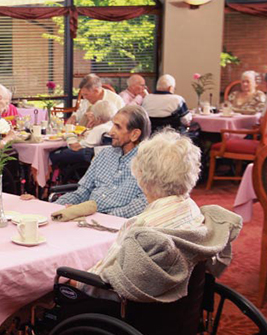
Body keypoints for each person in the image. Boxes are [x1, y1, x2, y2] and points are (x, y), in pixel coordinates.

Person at [88, 129, 241, 303]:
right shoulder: (195, 212)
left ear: (142, 176)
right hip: (183, 313)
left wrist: (73, 283)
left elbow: (99, 281)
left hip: (130, 312)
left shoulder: (140, 228)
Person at [56, 105, 150, 218]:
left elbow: (142, 204)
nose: (110, 132)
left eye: (118, 127)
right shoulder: (104, 154)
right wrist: (53, 207)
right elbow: (82, 191)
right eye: (112, 125)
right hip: (88, 218)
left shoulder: (147, 163)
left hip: (116, 225)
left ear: (134, 134)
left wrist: (102, 217)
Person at [50, 100, 117, 167]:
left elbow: (76, 147)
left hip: (90, 160)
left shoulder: (99, 129)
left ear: (98, 118)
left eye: (93, 116)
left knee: (54, 155)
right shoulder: (113, 126)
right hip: (108, 162)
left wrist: (69, 135)